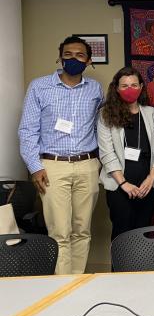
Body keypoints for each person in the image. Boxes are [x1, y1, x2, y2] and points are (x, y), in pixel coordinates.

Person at [19, 36, 103, 274]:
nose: (73, 59)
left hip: (87, 165)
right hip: (51, 166)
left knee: (82, 230)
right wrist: (35, 167)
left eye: (79, 55)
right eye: (68, 54)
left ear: (88, 60)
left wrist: (99, 164)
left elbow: (99, 126)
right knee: (59, 232)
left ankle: (76, 284)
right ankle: (61, 288)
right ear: (60, 56)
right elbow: (27, 130)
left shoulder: (95, 89)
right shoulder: (39, 86)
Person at [97, 67, 154, 241]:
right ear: (116, 88)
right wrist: (124, 183)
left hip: (147, 185)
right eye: (124, 85)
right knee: (122, 233)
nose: (130, 89)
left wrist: (151, 178)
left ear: (141, 87)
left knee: (144, 234)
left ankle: (140, 269)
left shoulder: (151, 113)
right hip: (119, 185)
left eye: (134, 85)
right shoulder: (106, 114)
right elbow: (106, 153)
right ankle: (119, 269)